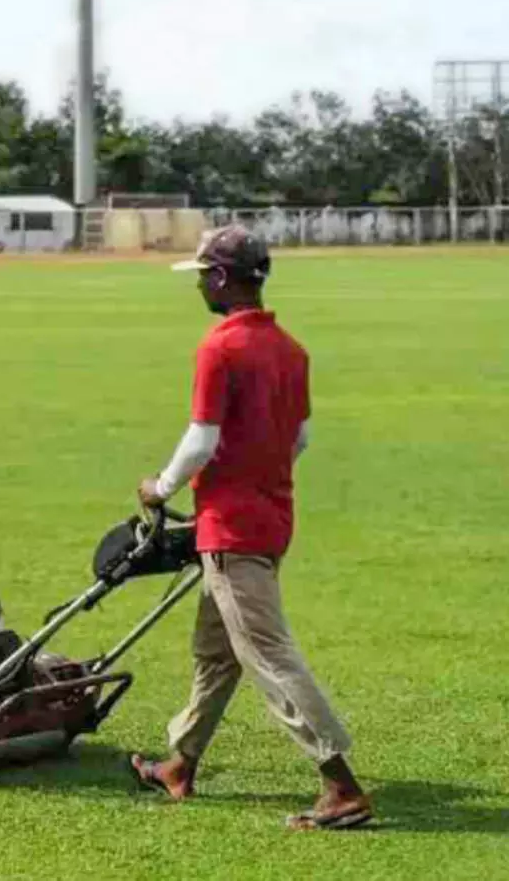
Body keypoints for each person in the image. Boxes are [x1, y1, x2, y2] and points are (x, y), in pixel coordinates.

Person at [129, 225, 372, 831]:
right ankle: (180, 764)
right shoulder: (291, 350)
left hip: (232, 530)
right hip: (270, 517)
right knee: (217, 652)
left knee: (265, 652)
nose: (199, 289)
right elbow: (301, 439)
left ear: (219, 278)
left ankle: (341, 787)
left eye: (202, 277)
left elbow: (202, 440)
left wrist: (159, 488)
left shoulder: (220, 347)